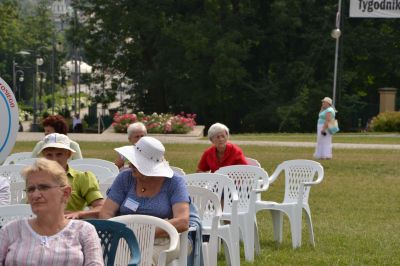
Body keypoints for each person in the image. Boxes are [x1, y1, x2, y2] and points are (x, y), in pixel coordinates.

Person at [100, 136, 191, 264]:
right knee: (108, 257)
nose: (130, 164)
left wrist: (144, 234)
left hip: (166, 239)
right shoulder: (125, 177)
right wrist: (120, 233)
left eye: (136, 163)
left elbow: (182, 222)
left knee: (142, 261)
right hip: (125, 236)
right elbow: (106, 212)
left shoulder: (174, 182)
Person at [0, 158, 104, 265]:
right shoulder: (10, 231)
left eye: (43, 187)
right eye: (31, 189)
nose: (35, 195)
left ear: (65, 193)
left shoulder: (83, 231)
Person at [38, 133, 104, 219]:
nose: (54, 159)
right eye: (49, 155)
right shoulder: (36, 179)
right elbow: (27, 209)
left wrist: (79, 214)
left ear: (68, 154)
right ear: (44, 156)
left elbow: (101, 208)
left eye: (59, 154)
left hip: (73, 226)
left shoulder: (83, 178)